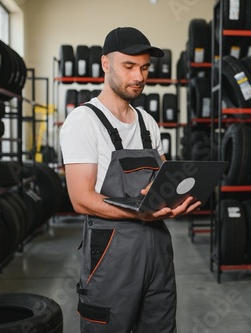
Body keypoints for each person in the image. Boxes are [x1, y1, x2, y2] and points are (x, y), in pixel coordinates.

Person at [60, 27, 201, 333]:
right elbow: (81, 198)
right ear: (106, 64)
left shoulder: (148, 122)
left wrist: (177, 197)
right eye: (129, 66)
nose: (139, 76)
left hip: (158, 251)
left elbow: (165, 177)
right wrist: (141, 211)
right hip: (112, 254)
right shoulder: (83, 121)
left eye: (145, 67)